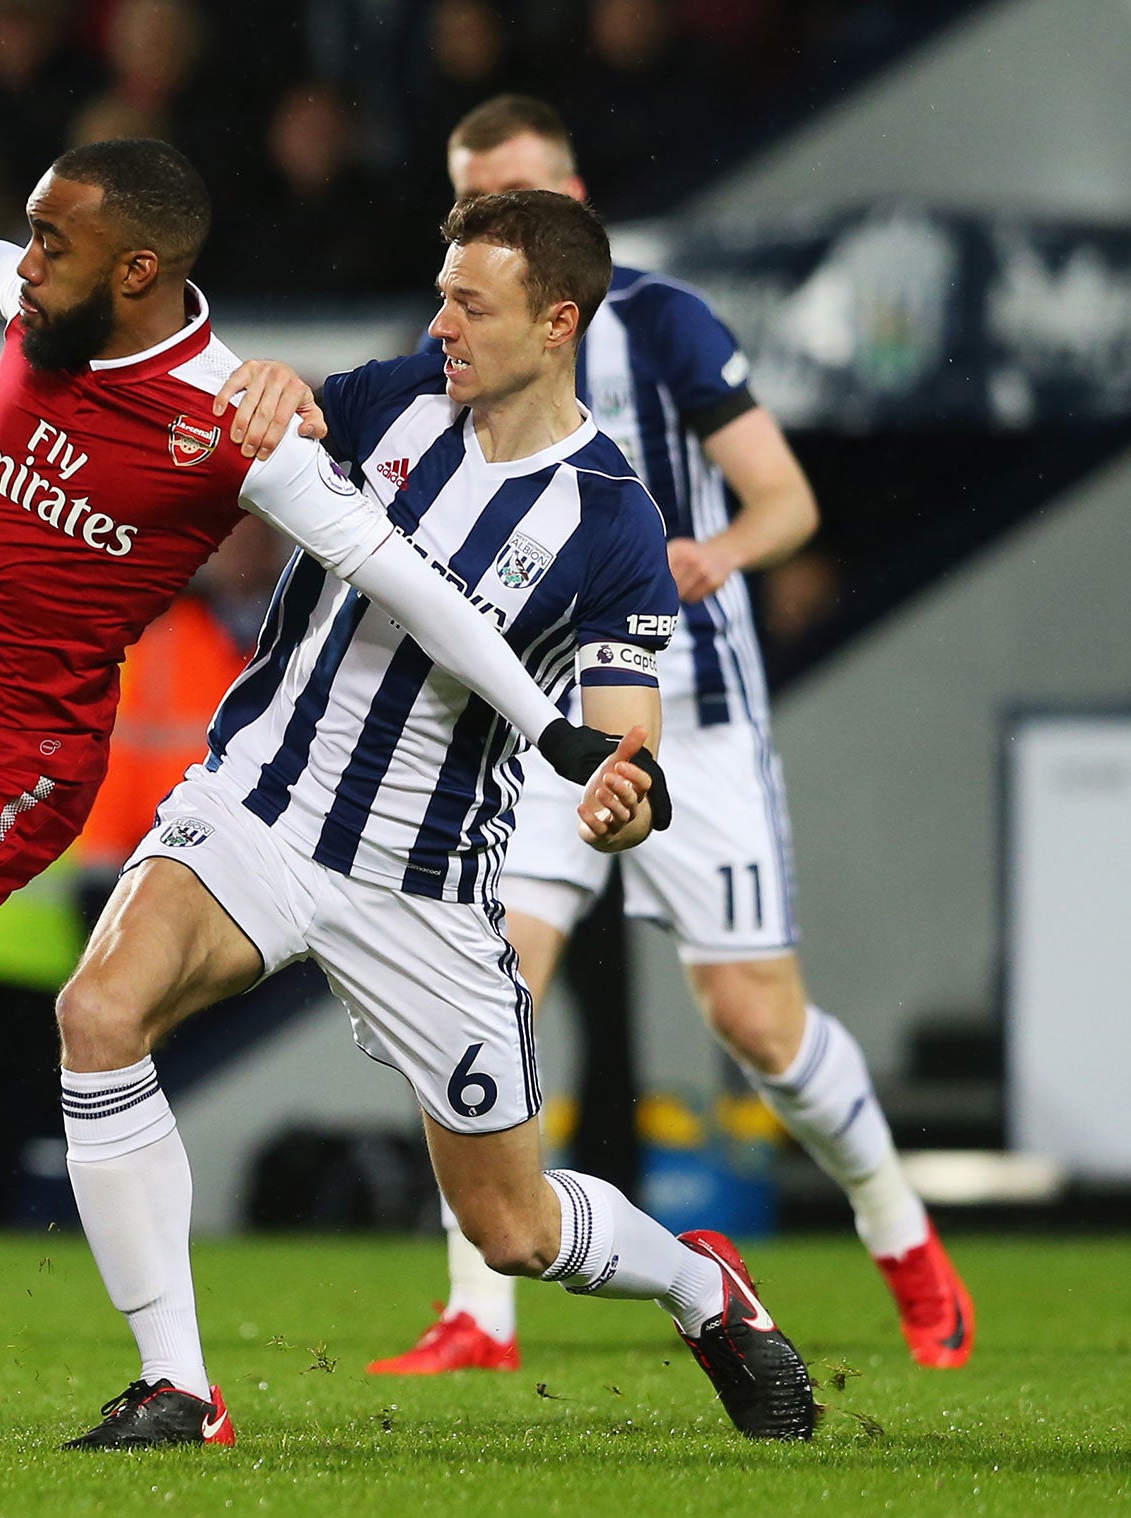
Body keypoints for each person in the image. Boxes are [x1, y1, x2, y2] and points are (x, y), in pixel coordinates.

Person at [0, 137, 654, 1450]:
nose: (27, 262)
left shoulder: (229, 421)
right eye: (35, 234)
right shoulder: (43, 304)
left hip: (6, 758)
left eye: (56, 242)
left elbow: (408, 582)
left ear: (139, 270)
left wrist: (553, 730)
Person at [56, 189, 817, 1451]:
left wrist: (621, 802)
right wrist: (272, 389)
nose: (441, 321)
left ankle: (699, 1286)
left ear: (557, 322)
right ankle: (177, 1388)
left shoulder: (613, 522)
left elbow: (622, 743)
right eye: (440, 292)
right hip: (256, 804)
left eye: (472, 304)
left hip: (422, 879)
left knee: (507, 1230)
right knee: (96, 1011)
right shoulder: (391, 401)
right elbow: (283, 412)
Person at [368, 95, 970, 1378]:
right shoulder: (450, 349)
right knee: (490, 985)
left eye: (518, 202)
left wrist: (710, 554)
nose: (493, 232)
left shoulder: (664, 322)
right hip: (536, 727)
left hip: (687, 721)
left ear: (575, 202)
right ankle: (478, 1310)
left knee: (756, 1025)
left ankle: (894, 1222)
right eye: (472, 207)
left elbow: (787, 501)